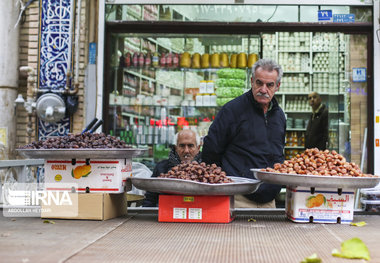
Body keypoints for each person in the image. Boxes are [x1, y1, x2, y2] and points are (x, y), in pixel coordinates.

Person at [202, 58, 286, 208]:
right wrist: (226, 184)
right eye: (259, 83)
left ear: (277, 86)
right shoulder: (232, 111)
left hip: (269, 201)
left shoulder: (279, 116)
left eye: (269, 85)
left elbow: (277, 153)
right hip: (238, 199)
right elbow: (211, 151)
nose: (263, 89)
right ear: (252, 81)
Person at [142, 129, 201, 207]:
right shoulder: (161, 168)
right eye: (182, 146)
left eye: (190, 146)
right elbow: (150, 199)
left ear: (198, 148)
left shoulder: (208, 169)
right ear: (176, 148)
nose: (186, 150)